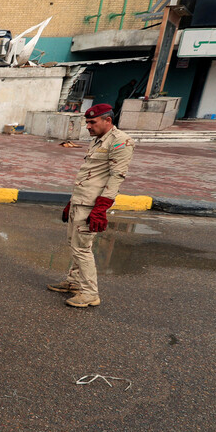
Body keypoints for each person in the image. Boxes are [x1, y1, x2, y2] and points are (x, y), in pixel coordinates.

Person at [48, 104, 134, 308]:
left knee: (82, 248)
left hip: (91, 205)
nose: (88, 126)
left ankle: (89, 293)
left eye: (92, 122)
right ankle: (74, 282)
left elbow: (117, 177)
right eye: (87, 122)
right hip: (82, 200)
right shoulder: (98, 141)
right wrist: (72, 202)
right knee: (74, 245)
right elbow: (90, 175)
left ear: (108, 121)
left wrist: (101, 208)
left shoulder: (120, 141)